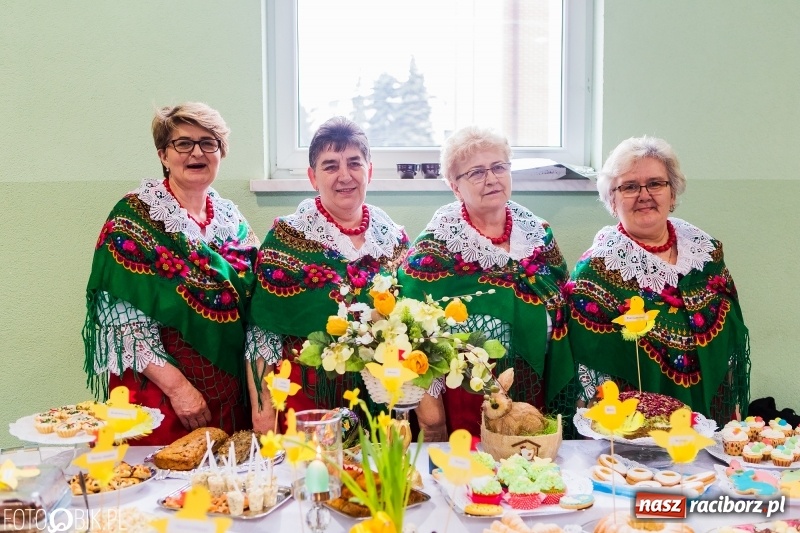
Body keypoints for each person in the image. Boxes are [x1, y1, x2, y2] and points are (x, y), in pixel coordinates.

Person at [82, 102, 259, 445]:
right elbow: (117, 319)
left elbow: (255, 298)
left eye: (209, 143)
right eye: (183, 143)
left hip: (228, 394)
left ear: (221, 153)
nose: (197, 152)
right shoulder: (133, 217)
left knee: (224, 491)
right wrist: (179, 389)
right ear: (163, 155)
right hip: (162, 396)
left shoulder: (231, 218)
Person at [397, 125, 575, 440]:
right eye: (476, 173)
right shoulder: (436, 248)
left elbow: (563, 306)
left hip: (537, 390)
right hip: (465, 403)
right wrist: (434, 421)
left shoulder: (538, 234)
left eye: (498, 167)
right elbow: (413, 330)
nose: (491, 179)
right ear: (455, 187)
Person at [566, 135, 750, 424]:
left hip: (711, 421)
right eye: (629, 186)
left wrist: (730, 411)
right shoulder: (596, 270)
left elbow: (728, 340)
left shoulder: (706, 255)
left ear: (672, 194)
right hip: (634, 432)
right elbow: (585, 371)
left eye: (655, 183)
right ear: (612, 201)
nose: (644, 195)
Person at [247, 116, 409, 433]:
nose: (344, 176)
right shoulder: (285, 238)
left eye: (354, 163)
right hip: (306, 400)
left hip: (378, 397)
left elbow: (407, 329)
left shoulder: (394, 239)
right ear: (312, 176)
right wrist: (263, 415)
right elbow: (261, 334)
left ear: (370, 171)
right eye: (331, 165)